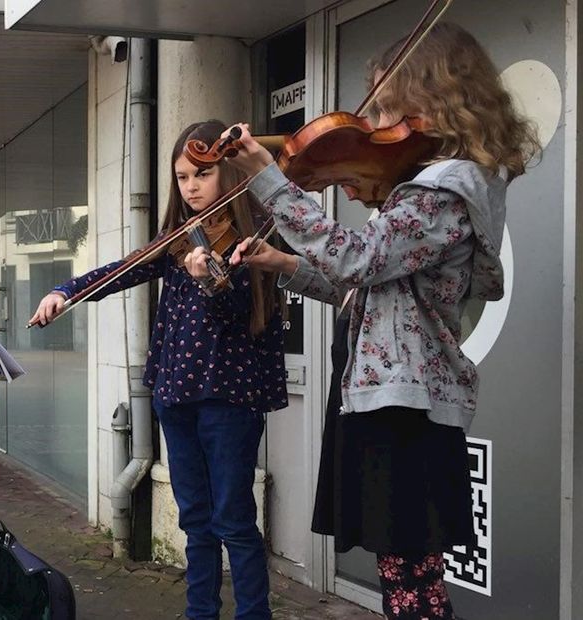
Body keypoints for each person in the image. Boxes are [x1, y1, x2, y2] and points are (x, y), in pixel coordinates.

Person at [221, 22, 540, 620]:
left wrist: (269, 180)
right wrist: (283, 263)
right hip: (388, 398)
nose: (382, 126)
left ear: (432, 95)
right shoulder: (430, 189)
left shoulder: (445, 192)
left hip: (405, 408)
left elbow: (356, 256)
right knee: (405, 571)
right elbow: (364, 285)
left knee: (410, 573)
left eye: (391, 107)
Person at [30, 120, 287, 620]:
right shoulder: (176, 241)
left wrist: (210, 281)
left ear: (229, 173)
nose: (190, 187)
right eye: (182, 177)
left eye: (202, 175)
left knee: (234, 518)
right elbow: (123, 269)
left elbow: (238, 314)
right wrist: (67, 290)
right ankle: (200, 614)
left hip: (228, 397)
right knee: (195, 519)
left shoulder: (253, 237)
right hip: (176, 393)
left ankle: (254, 614)